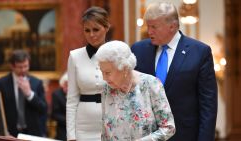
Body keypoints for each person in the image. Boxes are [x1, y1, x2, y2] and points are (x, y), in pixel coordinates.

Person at [131, 2, 217, 141]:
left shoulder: (199, 52)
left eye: (154, 27)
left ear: (172, 26)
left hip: (184, 135)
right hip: (145, 136)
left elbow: (208, 105)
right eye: (148, 26)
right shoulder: (138, 50)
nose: (149, 31)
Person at [96, 40, 175, 141]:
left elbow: (168, 128)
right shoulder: (107, 88)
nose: (104, 78)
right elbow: (105, 132)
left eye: (107, 73)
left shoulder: (150, 84)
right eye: (102, 72)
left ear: (124, 68)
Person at [66, 6, 110, 141]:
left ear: (106, 27)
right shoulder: (74, 56)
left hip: (111, 122)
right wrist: (71, 136)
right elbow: (72, 100)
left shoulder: (117, 53)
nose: (91, 34)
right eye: (87, 30)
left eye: (96, 29)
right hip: (83, 127)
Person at [0, 49, 47, 137]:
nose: (24, 70)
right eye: (20, 67)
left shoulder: (37, 83)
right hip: (9, 134)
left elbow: (43, 109)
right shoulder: (0, 84)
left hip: (32, 134)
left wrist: (29, 94)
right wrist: (3, 132)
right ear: (12, 66)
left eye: (26, 66)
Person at [51, 72, 68, 141]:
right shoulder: (56, 94)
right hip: (63, 128)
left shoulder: (77, 94)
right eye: (66, 85)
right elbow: (54, 114)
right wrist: (69, 121)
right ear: (62, 84)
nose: (68, 88)